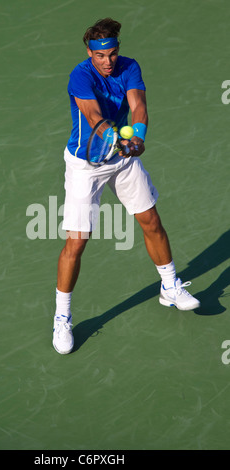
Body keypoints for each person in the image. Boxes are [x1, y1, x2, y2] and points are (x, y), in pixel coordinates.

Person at [53, 18, 200, 355]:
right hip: (85, 165)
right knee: (76, 243)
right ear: (90, 53)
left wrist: (140, 137)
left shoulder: (129, 67)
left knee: (151, 221)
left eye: (113, 54)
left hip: (122, 161)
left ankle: (170, 287)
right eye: (101, 56)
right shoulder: (80, 75)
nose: (108, 62)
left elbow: (139, 106)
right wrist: (117, 138)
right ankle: (62, 317)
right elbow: (92, 116)